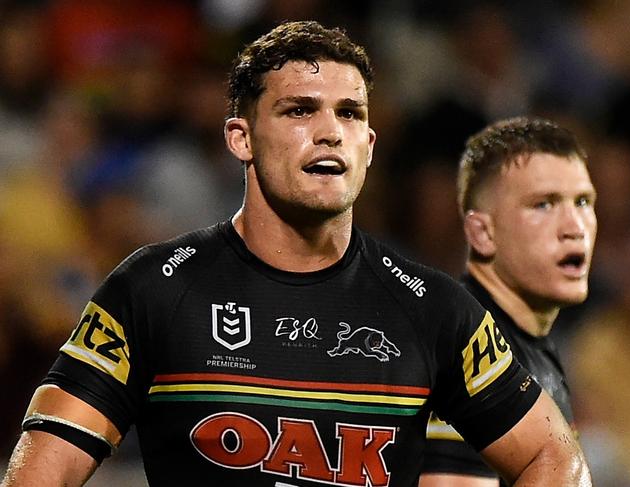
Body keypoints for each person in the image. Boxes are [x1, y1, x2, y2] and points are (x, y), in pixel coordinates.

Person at [1, 21, 591, 487]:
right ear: (242, 138)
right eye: (300, 110)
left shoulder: (433, 308)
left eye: (350, 114)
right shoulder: (154, 288)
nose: (330, 131)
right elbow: (41, 469)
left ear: (369, 145)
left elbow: (553, 455)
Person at [419, 116, 597, 486]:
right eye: (544, 204)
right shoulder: (465, 345)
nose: (575, 227)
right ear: (482, 233)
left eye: (583, 201)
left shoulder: (525, 340)